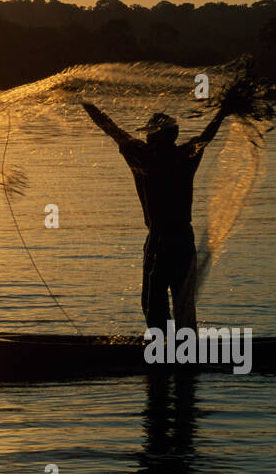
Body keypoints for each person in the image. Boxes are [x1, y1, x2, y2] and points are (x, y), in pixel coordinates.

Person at [80, 99, 231, 331]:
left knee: (154, 303)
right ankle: (183, 352)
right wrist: (223, 112)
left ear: (162, 136)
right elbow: (206, 136)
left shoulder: (141, 155)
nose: (148, 137)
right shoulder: (185, 155)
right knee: (183, 303)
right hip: (182, 239)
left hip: (160, 240)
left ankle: (161, 351)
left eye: (152, 133)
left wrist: (86, 104)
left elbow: (109, 127)